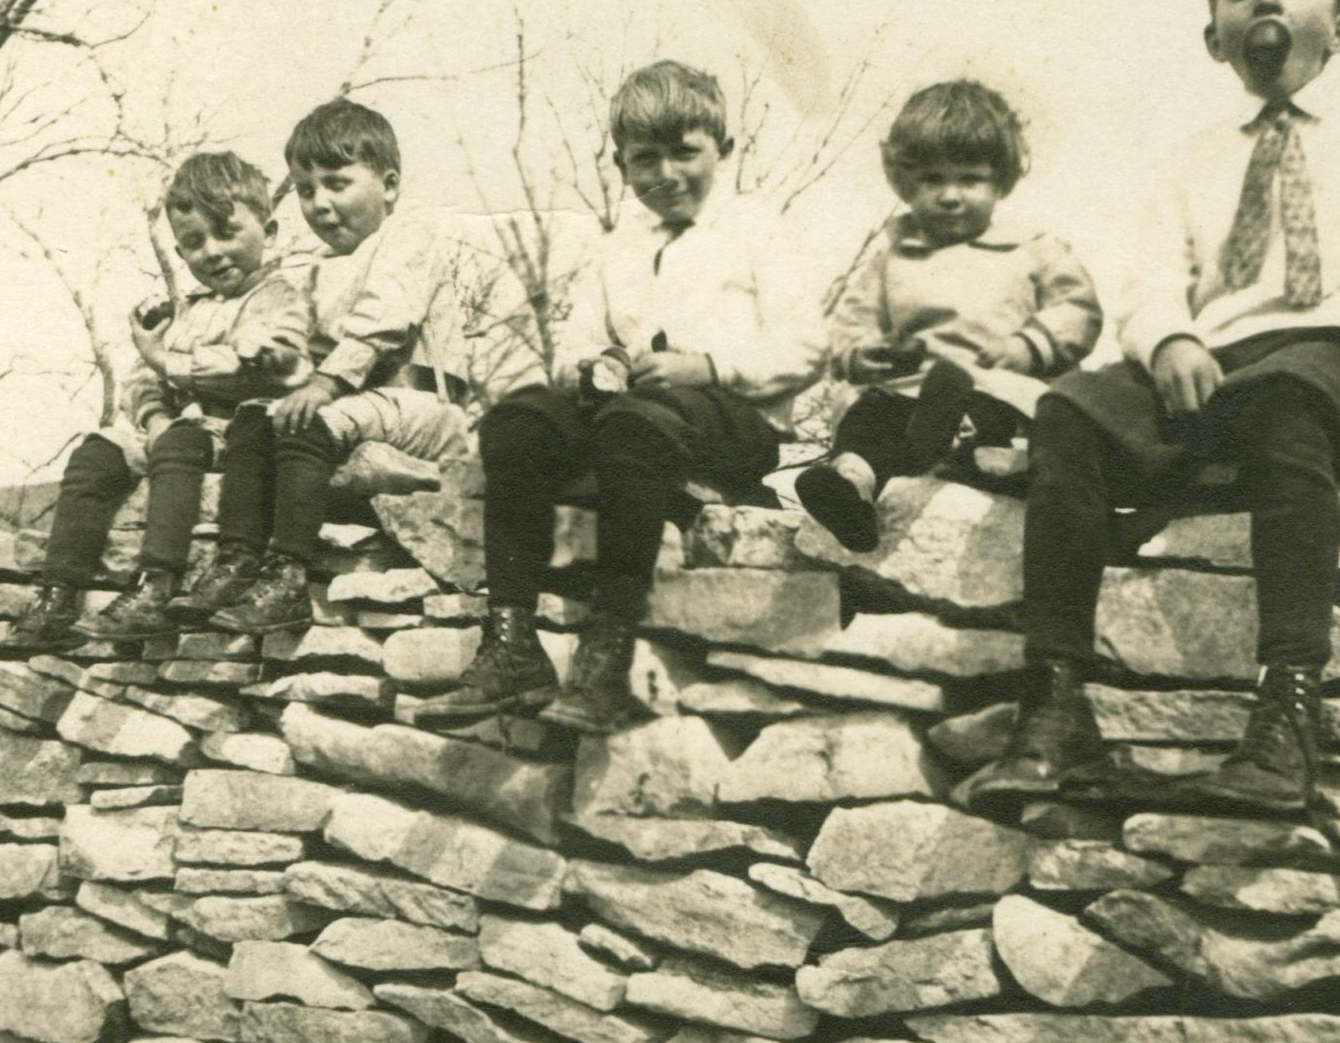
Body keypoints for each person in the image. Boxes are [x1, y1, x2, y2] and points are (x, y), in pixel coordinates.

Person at [965, 0, 1340, 815]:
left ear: (1339, 28)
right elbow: (1147, 284)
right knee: (1066, 409)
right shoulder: (1188, 162)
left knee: (1288, 398)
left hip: (1333, 357)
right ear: (1213, 35)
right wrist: (1170, 337)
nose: (1267, 3)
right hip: (1215, 368)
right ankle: (1054, 707)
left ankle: (1288, 714)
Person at [418, 60, 823, 733]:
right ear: (620, 163)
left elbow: (807, 345)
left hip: (733, 417)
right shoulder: (619, 245)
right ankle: (512, 641)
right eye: (644, 158)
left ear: (723, 150)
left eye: (684, 152)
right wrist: (598, 361)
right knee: (518, 419)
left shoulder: (759, 230)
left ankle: (606, 657)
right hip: (632, 414)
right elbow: (581, 335)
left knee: (633, 425)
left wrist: (708, 364)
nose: (664, 173)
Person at [0, 151, 309, 658]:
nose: (212, 252)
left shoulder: (280, 298)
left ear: (268, 232)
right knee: (96, 450)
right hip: (179, 432)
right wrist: (155, 415)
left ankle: (156, 582)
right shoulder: (187, 311)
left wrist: (167, 361)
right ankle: (59, 596)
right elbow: (141, 377)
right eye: (193, 243)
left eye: (226, 232)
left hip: (240, 433)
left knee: (182, 440)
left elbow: (251, 363)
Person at [187, 98, 479, 635]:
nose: (318, 203)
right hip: (358, 400)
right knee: (254, 419)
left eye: (336, 184)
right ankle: (237, 558)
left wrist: (322, 384)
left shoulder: (410, 235)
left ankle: (289, 574)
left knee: (314, 421)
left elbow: (382, 320)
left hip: (421, 404)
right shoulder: (316, 267)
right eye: (304, 189)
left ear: (388, 184)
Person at [798, 79, 1102, 551]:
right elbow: (850, 322)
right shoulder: (893, 258)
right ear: (905, 183)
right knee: (869, 412)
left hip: (994, 393)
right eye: (932, 180)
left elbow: (1076, 308)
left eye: (969, 179)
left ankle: (950, 452)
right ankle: (851, 486)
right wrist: (863, 353)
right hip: (906, 395)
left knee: (962, 393)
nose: (950, 195)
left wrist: (1026, 347)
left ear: (1000, 180)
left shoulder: (1032, 249)